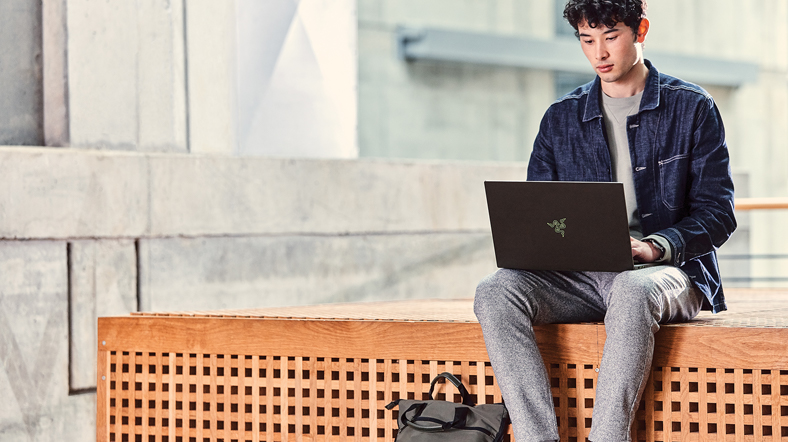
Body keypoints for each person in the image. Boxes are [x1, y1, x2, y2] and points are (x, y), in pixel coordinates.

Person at [473, 0, 737, 441]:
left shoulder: (691, 107)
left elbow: (718, 213)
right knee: (494, 290)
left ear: (641, 30)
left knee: (633, 290)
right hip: (579, 276)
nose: (599, 53)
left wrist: (655, 246)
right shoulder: (561, 119)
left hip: (664, 272)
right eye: (587, 40)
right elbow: (541, 213)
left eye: (611, 36)